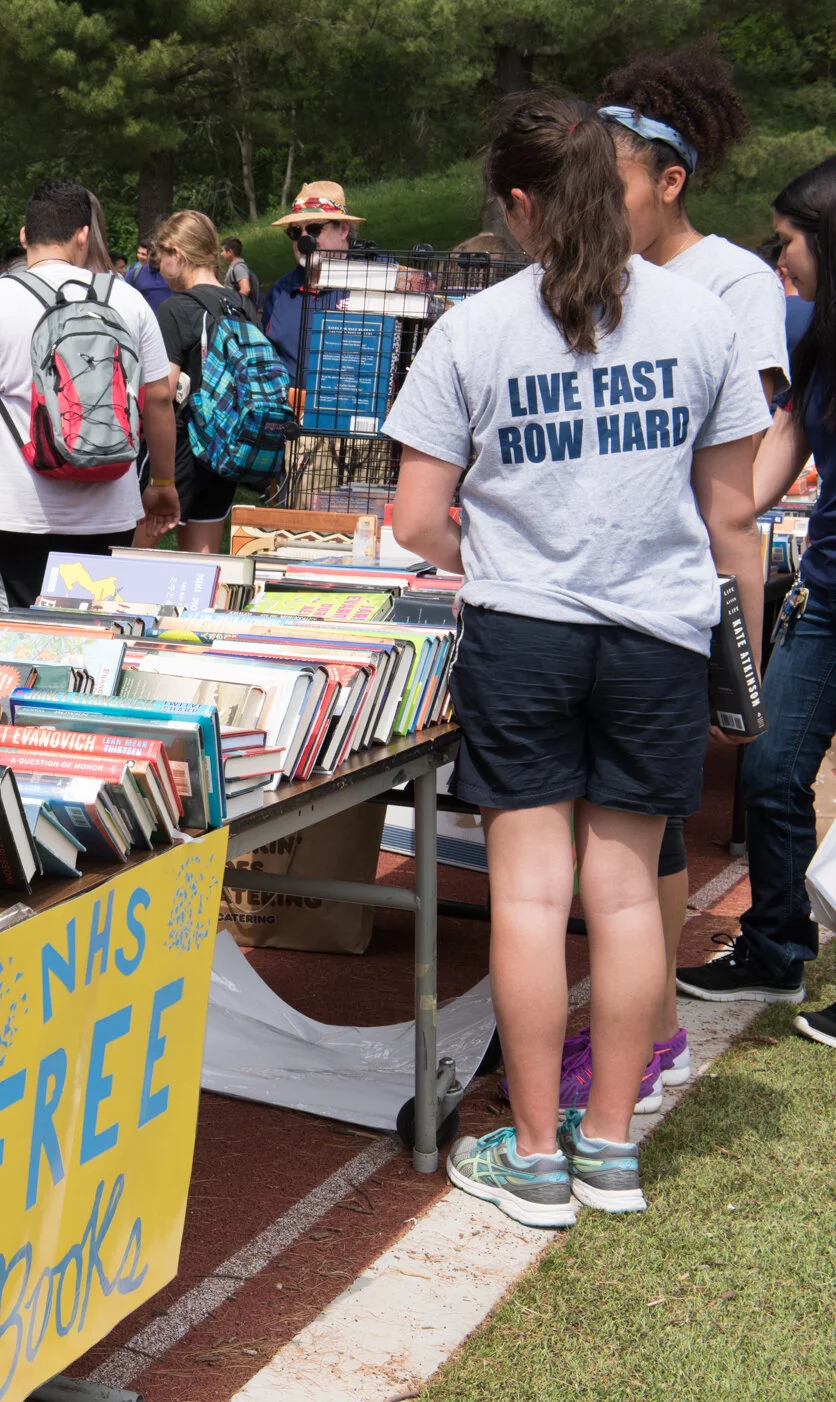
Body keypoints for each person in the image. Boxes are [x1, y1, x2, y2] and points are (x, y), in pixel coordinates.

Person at [388, 91, 768, 1229]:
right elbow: (732, 514)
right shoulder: (704, 321)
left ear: (517, 205)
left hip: (526, 634)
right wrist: (737, 659)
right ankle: (611, 1147)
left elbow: (414, 521)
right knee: (628, 893)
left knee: (531, 892)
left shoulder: (474, 330)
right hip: (657, 633)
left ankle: (538, 1156)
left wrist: (502, 549)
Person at [583, 49, 792, 1094]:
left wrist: (736, 646)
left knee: (652, 824)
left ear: (670, 181)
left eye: (611, 180)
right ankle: (636, 1016)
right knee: (617, 828)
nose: (593, 202)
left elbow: (740, 479)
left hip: (671, 593)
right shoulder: (601, 275)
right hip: (595, 591)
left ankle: (652, 1023)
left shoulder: (734, 284)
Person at [688, 156, 836, 1037]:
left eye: (786, 241)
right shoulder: (815, 337)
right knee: (775, 772)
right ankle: (776, 951)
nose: (777, 259)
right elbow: (755, 485)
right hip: (824, 599)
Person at [0, 179, 179, 608]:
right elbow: (159, 399)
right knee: (104, 633)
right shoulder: (128, 299)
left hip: (20, 512)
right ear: (84, 235)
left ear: (24, 235)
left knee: (26, 638)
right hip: (111, 509)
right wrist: (162, 481)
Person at [150, 211, 260, 554]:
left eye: (161, 258)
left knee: (135, 549)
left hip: (181, 445)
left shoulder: (176, 307)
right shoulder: (242, 305)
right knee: (204, 558)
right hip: (227, 444)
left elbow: (164, 391)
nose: (159, 268)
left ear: (177, 255)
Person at [261, 180, 360, 381]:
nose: (304, 240)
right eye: (295, 232)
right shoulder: (280, 292)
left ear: (343, 229)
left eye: (314, 229)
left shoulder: (374, 282)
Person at [128, 240, 172, 312]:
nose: (155, 262)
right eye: (152, 260)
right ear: (148, 255)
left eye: (158, 260)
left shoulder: (174, 275)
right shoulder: (134, 274)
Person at [221, 236, 259, 302]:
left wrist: (236, 305)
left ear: (230, 252)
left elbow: (246, 289)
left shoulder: (239, 267)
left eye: (223, 251)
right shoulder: (235, 267)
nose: (221, 254)